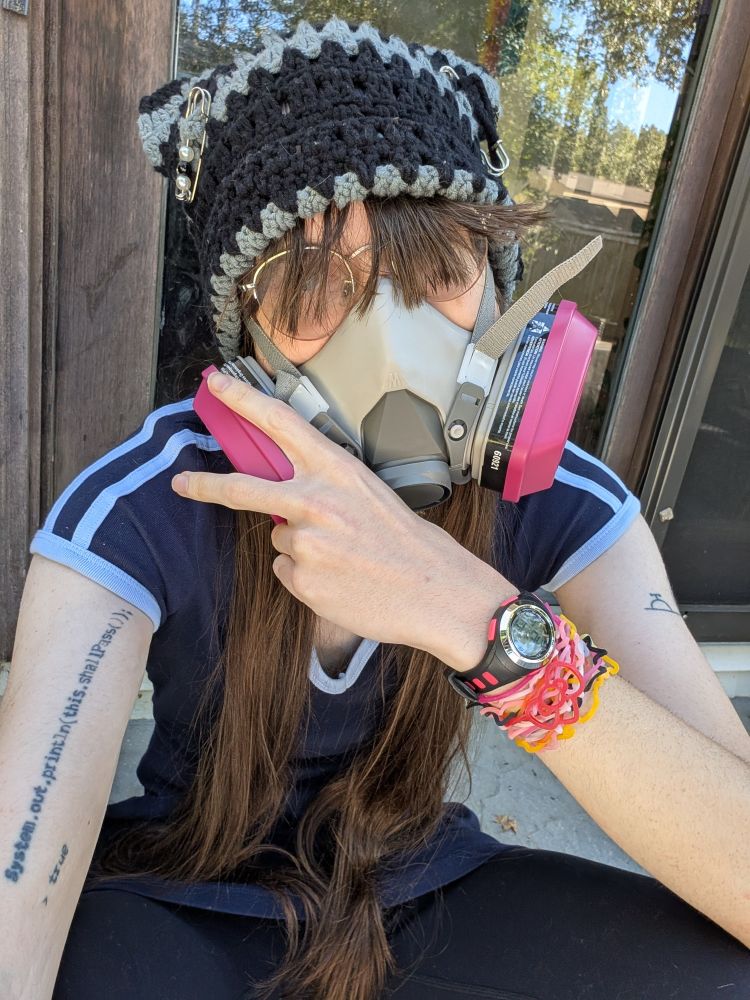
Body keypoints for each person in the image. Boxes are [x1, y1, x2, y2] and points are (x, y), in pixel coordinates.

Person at [2, 16, 749, 1000]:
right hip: (183, 897)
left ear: (496, 289)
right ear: (245, 343)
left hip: (422, 887)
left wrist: (475, 620)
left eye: (441, 272)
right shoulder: (150, 502)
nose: (393, 346)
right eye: (318, 285)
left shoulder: (558, 501)